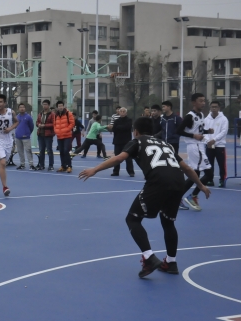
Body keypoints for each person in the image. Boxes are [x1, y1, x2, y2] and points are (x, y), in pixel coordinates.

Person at [79, 117, 210, 278]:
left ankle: (149, 258)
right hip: (178, 183)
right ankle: (171, 262)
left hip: (158, 181)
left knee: (132, 219)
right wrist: (201, 186)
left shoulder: (137, 141)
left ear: (135, 131)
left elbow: (119, 158)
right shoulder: (165, 144)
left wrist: (95, 169)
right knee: (168, 222)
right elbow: (187, 168)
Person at [178, 93, 214, 211]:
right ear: (194, 102)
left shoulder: (201, 115)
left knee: (196, 174)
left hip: (199, 146)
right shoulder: (190, 116)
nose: (203, 103)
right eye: (200, 101)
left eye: (204, 101)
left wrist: (207, 131)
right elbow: (178, 131)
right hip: (194, 147)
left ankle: (178, 198)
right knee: (209, 174)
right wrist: (193, 136)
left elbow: (198, 130)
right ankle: (192, 196)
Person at [155, 100, 187, 209]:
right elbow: (162, 130)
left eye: (164, 106)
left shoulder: (176, 118)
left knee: (174, 166)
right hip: (164, 144)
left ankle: (177, 198)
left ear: (169, 107)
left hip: (173, 144)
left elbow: (181, 130)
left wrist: (174, 137)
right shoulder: (162, 118)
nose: (163, 108)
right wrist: (156, 137)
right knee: (164, 166)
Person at [203, 101, 228, 188]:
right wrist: (208, 141)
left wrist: (214, 140)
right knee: (209, 164)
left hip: (220, 145)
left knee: (221, 164)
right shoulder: (206, 119)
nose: (214, 108)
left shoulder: (223, 119)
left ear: (219, 108)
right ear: (210, 108)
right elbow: (204, 131)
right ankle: (210, 179)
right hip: (209, 145)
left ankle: (222, 180)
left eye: (215, 107)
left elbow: (224, 132)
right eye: (212, 107)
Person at [108, 107, 135, 177]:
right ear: (119, 112)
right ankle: (116, 171)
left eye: (124, 111)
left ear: (126, 113)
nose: (122, 113)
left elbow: (127, 127)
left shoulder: (129, 120)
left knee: (128, 157)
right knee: (117, 157)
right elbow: (114, 129)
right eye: (121, 111)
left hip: (127, 142)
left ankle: (131, 172)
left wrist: (118, 127)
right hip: (117, 141)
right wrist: (120, 127)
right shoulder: (116, 121)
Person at [54, 101, 75, 173]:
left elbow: (72, 123)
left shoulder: (68, 113)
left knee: (66, 150)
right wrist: (56, 130)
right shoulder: (55, 115)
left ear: (63, 106)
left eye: (61, 106)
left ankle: (69, 166)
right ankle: (63, 166)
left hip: (67, 135)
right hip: (59, 136)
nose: (60, 107)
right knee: (61, 151)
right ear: (57, 107)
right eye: (59, 106)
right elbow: (54, 124)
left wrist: (66, 130)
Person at [14, 103, 35, 170]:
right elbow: (15, 125)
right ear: (18, 109)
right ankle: (22, 164)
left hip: (26, 137)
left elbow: (31, 126)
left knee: (28, 150)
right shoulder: (17, 117)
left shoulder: (28, 117)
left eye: (23, 107)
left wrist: (27, 133)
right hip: (18, 137)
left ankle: (31, 164)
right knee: (20, 151)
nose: (22, 108)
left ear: (25, 108)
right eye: (20, 107)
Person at [36, 99, 55, 170]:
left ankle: (51, 165)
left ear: (49, 105)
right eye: (43, 104)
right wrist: (38, 124)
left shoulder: (52, 114)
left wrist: (45, 125)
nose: (44, 106)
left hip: (48, 135)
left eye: (46, 104)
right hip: (40, 134)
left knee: (49, 150)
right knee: (41, 150)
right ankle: (41, 165)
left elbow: (53, 124)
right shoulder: (40, 114)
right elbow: (37, 122)